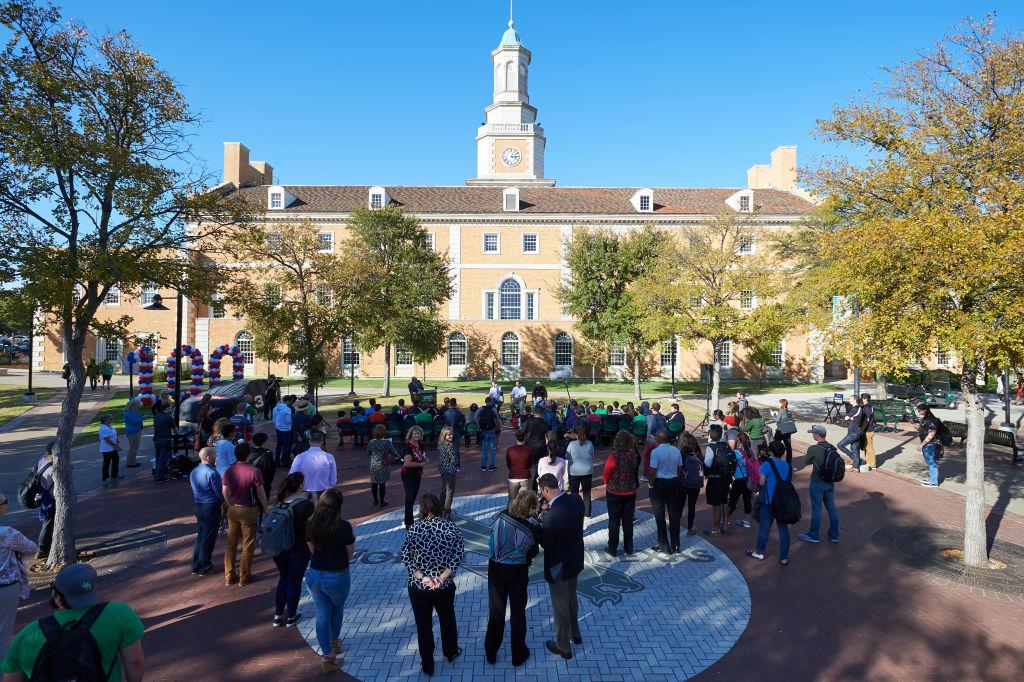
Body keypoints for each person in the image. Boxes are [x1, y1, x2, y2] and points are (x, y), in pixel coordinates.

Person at [0, 563, 144, 682]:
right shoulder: (119, 613)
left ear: (56, 597)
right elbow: (134, 662)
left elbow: (11, 679)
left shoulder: (28, 635)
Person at [401, 493, 465, 676]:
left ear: (421, 510)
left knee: (424, 626)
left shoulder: (413, 529)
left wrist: (423, 578)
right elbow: (458, 554)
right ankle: (451, 651)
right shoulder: (450, 528)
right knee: (447, 618)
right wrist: (443, 577)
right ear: (438, 508)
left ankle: (428, 664)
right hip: (443, 587)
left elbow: (406, 557)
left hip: (419, 587)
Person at [484, 490, 540, 666]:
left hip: (496, 569)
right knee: (518, 613)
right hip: (517, 572)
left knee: (496, 611)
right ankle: (518, 654)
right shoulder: (532, 527)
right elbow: (533, 551)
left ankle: (491, 651)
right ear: (530, 508)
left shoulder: (501, 516)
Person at [305, 488, 355, 675]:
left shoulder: (311, 524)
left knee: (322, 613)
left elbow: (311, 549)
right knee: (337, 608)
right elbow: (350, 552)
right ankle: (335, 642)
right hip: (337, 575)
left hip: (315, 574)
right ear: (338, 506)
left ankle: (327, 655)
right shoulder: (343, 526)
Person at [537, 473, 584, 660]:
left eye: (542, 492)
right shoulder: (576, 500)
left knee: (560, 606)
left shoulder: (552, 515)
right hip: (576, 560)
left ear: (546, 490)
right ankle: (575, 633)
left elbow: (546, 543)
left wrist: (538, 528)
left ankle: (563, 646)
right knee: (572, 597)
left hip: (558, 566)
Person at [271, 472, 315, 629]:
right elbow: (313, 525)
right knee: (294, 581)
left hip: (279, 549)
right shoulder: (304, 505)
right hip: (298, 548)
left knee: (284, 578)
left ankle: (277, 616)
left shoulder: (280, 502)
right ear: (301, 485)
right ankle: (291, 616)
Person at [221, 443, 269, 586]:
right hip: (249, 509)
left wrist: (230, 503)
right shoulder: (254, 471)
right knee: (248, 543)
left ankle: (229, 575)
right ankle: (244, 575)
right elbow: (260, 491)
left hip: (233, 509)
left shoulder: (229, 471)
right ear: (248, 455)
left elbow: (225, 491)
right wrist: (265, 507)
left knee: (231, 542)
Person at [0, 492, 38, 660]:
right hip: (5, 587)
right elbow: (32, 547)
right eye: (5, 501)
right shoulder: (7, 533)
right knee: (3, 633)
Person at [747, 440, 792, 564]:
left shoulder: (767, 464)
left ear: (771, 451)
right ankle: (784, 557)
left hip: (768, 500)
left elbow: (761, 482)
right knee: (783, 529)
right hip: (783, 501)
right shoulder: (788, 466)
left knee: (764, 528)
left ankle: (760, 552)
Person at [798, 425, 841, 544]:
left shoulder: (813, 449)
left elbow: (805, 461)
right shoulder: (832, 448)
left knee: (816, 510)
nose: (812, 435)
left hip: (817, 482)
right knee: (832, 508)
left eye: (813, 433)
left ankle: (814, 535)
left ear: (817, 435)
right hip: (830, 482)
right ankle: (834, 535)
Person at [602, 430, 639, 557]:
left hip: (614, 492)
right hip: (630, 491)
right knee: (628, 521)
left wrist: (610, 484)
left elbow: (606, 475)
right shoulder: (633, 456)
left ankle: (612, 548)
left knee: (614, 521)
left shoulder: (613, 457)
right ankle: (629, 547)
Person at [646, 429, 683, 554]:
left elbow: (652, 471)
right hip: (672, 482)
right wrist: (676, 479)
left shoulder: (655, 452)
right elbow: (679, 467)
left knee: (659, 515)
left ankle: (664, 545)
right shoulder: (676, 450)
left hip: (659, 483)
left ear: (659, 439)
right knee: (674, 514)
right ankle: (676, 544)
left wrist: (651, 484)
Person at [189, 446, 223, 575]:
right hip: (211, 506)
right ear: (208, 457)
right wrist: (223, 502)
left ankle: (196, 565)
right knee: (208, 538)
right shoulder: (212, 473)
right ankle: (205, 565)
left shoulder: (194, 471)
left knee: (201, 536)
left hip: (199, 505)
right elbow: (219, 493)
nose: (216, 457)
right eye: (214, 454)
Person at [289, 431, 337, 499]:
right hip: (324, 494)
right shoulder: (329, 457)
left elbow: (291, 476)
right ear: (322, 442)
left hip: (304, 493)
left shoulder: (299, 457)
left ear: (309, 441)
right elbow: (333, 480)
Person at [703, 424, 731, 536]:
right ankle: (725, 526)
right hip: (725, 477)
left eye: (710, 432)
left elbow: (707, 463)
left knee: (716, 505)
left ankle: (716, 528)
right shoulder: (726, 445)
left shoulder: (711, 447)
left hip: (715, 478)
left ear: (713, 434)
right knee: (724, 501)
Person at [725, 432, 756, 529]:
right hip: (748, 479)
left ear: (738, 440)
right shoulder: (750, 451)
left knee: (733, 501)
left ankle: (726, 519)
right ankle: (747, 521)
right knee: (747, 500)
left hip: (738, 479)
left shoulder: (735, 452)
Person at [678, 432, 704, 536]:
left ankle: (674, 525)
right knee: (691, 506)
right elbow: (702, 466)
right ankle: (689, 529)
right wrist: (701, 478)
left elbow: (679, 467)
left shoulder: (681, 452)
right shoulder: (698, 451)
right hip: (696, 483)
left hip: (684, 482)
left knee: (679, 505)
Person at [565, 425, 595, 518]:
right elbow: (592, 455)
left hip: (574, 471)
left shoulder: (571, 444)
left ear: (575, 434)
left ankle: (574, 512)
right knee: (586, 492)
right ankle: (587, 513)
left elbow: (566, 456)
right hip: (587, 471)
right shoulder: (589, 444)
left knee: (574, 493)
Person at [401, 426, 428, 528]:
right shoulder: (408, 447)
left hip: (417, 474)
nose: (417, 435)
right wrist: (421, 464)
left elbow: (423, 457)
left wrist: (426, 460)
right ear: (411, 434)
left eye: (419, 434)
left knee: (412, 498)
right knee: (409, 497)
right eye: (415, 433)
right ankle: (409, 522)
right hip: (408, 474)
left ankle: (408, 518)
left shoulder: (420, 445)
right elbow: (407, 463)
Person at [367, 424, 399, 507]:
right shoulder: (387, 442)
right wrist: (400, 457)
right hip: (383, 465)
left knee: (374, 483)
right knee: (382, 484)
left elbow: (368, 452)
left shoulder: (371, 442)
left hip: (374, 465)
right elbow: (394, 451)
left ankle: (375, 500)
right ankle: (382, 501)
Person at [33, 444, 55, 561]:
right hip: (50, 498)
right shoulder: (53, 468)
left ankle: (47, 545)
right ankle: (42, 549)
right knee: (48, 523)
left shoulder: (42, 460)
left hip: (41, 496)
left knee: (47, 520)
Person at [916, 404, 942, 488]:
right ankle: (931, 479)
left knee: (931, 462)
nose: (918, 412)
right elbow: (925, 430)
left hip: (931, 444)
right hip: (927, 444)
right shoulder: (926, 418)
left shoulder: (931, 420)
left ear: (925, 410)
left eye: (920, 410)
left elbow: (931, 434)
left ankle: (934, 482)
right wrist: (917, 428)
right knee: (929, 462)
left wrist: (922, 444)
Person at [505, 431, 534, 505]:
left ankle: (511, 515)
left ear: (515, 438)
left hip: (513, 477)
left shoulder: (510, 450)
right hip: (525, 477)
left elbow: (508, 464)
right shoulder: (529, 450)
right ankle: (523, 516)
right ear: (525, 438)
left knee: (511, 500)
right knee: (525, 501)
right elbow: (530, 464)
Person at [837, 395, 864, 472]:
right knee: (855, 449)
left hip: (853, 433)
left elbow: (846, 418)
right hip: (857, 432)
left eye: (850, 399)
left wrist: (850, 418)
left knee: (840, 445)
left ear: (855, 400)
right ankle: (856, 467)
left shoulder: (854, 409)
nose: (849, 400)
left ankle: (853, 458)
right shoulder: (860, 408)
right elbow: (855, 418)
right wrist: (852, 418)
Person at [437, 427, 459, 518]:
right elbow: (453, 460)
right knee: (450, 491)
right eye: (448, 434)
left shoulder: (441, 445)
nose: (451, 436)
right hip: (449, 470)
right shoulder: (449, 446)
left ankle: (440, 508)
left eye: (451, 434)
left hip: (443, 470)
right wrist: (456, 459)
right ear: (444, 435)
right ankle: (447, 511)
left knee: (444, 489)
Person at [152, 401, 175, 483]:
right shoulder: (169, 417)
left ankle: (158, 475)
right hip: (165, 439)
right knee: (163, 458)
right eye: (171, 407)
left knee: (158, 457)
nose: (171, 409)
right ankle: (160, 477)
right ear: (167, 408)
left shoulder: (156, 416)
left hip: (157, 439)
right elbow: (175, 429)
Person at [248, 432, 276, 500]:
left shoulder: (249, 452)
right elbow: (271, 471)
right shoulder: (267, 455)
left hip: (250, 483)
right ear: (263, 443)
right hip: (263, 483)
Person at [769, 398, 796, 463]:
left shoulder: (781, 410)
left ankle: (776, 458)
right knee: (788, 447)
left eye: (779, 403)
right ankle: (789, 461)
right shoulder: (788, 411)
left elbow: (777, 420)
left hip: (781, 431)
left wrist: (773, 415)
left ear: (782, 404)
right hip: (788, 431)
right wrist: (777, 414)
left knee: (774, 444)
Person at [477, 397, 500, 472]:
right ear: (491, 402)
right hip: (492, 430)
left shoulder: (481, 409)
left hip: (484, 430)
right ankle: (491, 466)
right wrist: (498, 427)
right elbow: (497, 419)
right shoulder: (493, 409)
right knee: (493, 449)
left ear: (485, 401)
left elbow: (476, 417)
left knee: (484, 449)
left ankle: (483, 465)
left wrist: (479, 426)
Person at [273, 394, 294, 467]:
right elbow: (289, 421)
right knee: (286, 446)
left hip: (278, 429)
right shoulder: (287, 409)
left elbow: (274, 419)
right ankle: (284, 462)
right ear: (288, 401)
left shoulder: (275, 408)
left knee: (279, 445)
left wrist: (278, 424)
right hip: (286, 430)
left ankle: (276, 461)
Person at [122, 399, 144, 468]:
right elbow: (135, 421)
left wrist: (140, 418)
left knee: (134, 447)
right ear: (133, 405)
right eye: (137, 404)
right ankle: (130, 463)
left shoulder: (133, 411)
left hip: (136, 430)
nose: (138, 406)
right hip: (133, 432)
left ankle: (132, 461)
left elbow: (138, 418)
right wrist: (142, 418)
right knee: (133, 447)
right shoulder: (129, 412)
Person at [98, 414, 120, 481]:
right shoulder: (104, 429)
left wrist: (117, 441)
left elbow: (114, 435)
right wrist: (115, 445)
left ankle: (114, 475)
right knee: (107, 462)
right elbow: (107, 439)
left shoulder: (110, 426)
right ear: (105, 420)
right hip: (107, 449)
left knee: (116, 460)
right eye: (110, 418)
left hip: (113, 448)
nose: (112, 419)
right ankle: (105, 477)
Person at [860, 393, 877, 470]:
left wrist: (862, 428)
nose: (861, 400)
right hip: (869, 429)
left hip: (868, 430)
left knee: (869, 447)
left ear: (865, 399)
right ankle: (868, 462)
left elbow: (867, 419)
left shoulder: (867, 407)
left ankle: (872, 464)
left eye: (862, 398)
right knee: (866, 446)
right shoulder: (869, 406)